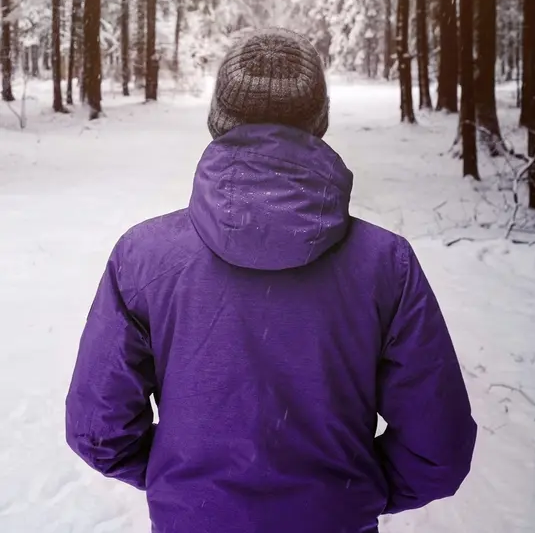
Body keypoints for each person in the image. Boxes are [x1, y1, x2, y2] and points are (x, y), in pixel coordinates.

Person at [65, 28, 477, 533]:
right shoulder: (385, 264)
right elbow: (438, 448)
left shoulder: (144, 257)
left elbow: (98, 430)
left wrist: (186, 487)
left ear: (218, 119)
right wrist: (346, 496)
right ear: (319, 119)